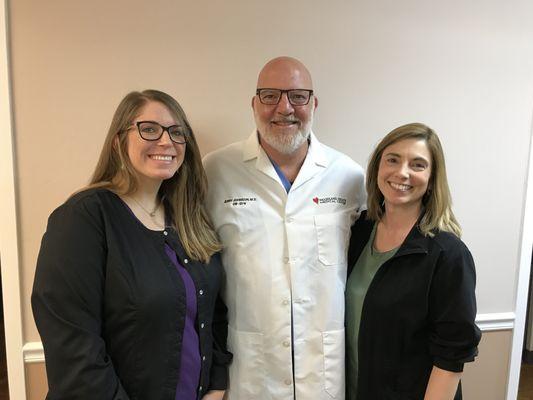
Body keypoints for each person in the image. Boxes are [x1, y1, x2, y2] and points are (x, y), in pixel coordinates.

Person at [32, 89, 232, 400]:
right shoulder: (84, 218)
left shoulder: (188, 219)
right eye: (149, 129)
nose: (166, 141)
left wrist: (217, 386)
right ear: (118, 141)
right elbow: (73, 346)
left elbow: (213, 312)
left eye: (177, 132)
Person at [203, 56, 366, 399]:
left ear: (314, 103)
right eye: (270, 96)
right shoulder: (216, 171)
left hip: (323, 373)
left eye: (297, 96)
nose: (284, 108)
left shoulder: (348, 176)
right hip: (250, 372)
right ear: (253, 104)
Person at [346, 123, 481, 400]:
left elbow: (452, 355)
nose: (402, 172)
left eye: (418, 165)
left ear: (432, 179)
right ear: (377, 168)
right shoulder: (358, 232)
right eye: (393, 160)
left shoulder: (448, 254)